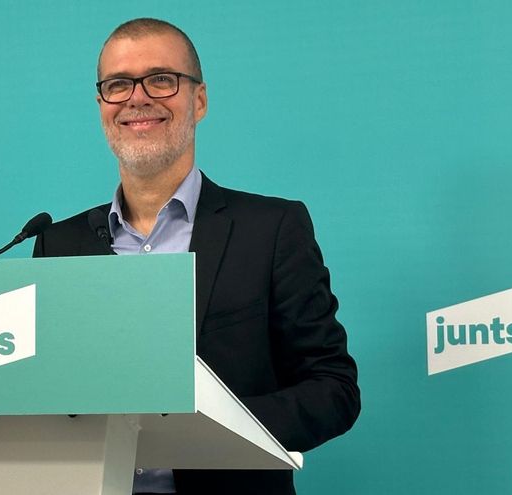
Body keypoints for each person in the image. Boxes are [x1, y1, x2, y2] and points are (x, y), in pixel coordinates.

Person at [33, 18, 360, 495]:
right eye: (118, 85)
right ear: (102, 105)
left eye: (161, 79)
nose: (137, 98)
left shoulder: (270, 229)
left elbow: (333, 390)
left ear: (199, 100)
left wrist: (209, 432)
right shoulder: (57, 245)